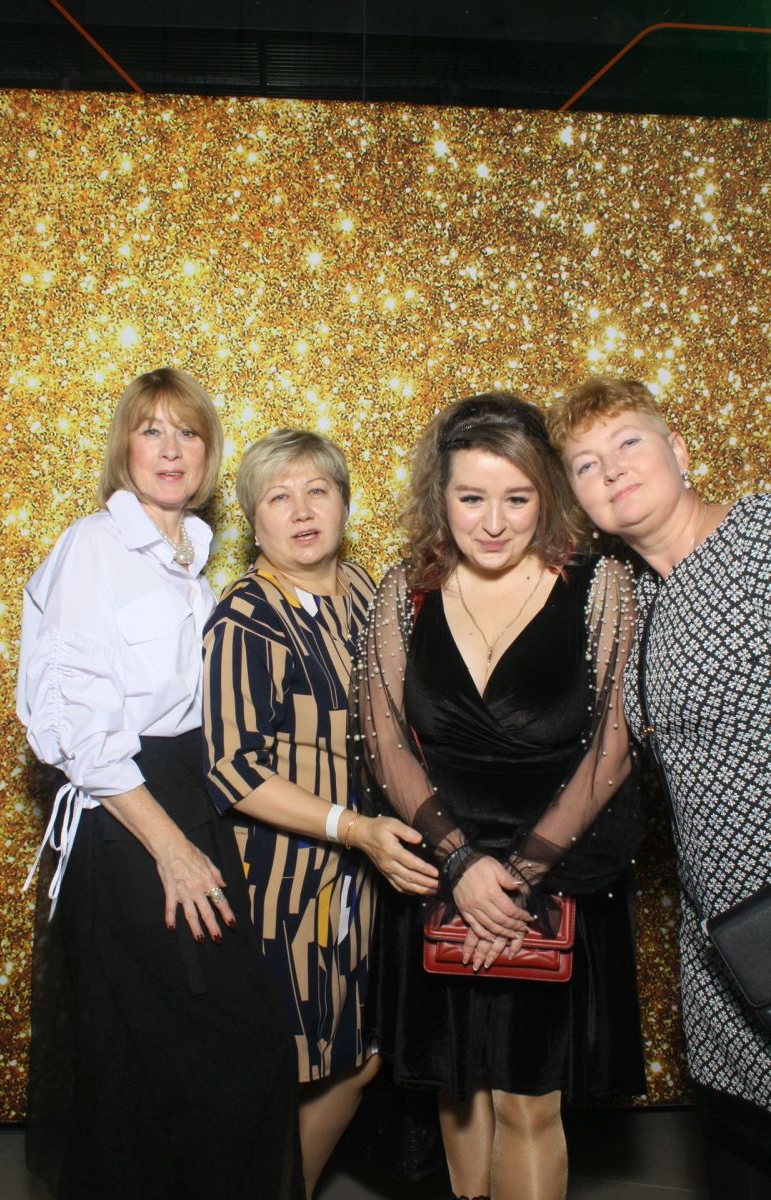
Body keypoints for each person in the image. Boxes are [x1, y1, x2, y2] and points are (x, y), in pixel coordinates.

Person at [351, 393, 645, 1200]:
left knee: (525, 1101)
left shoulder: (599, 585)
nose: (492, 522)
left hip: (553, 874)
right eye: (471, 497)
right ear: (439, 496)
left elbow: (613, 747)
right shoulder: (404, 591)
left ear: (547, 492)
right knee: (457, 1094)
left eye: (517, 498)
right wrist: (459, 865)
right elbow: (382, 739)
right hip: (439, 870)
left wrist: (516, 878)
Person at [17, 368, 301, 1200]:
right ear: (125, 449)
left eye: (188, 432)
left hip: (191, 801)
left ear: (209, 452)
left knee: (196, 1061)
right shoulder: (92, 549)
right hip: (132, 820)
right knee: (172, 1059)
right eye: (151, 431)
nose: (171, 449)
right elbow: (74, 723)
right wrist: (170, 849)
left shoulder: (194, 561)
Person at [548, 375, 771, 1200]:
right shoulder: (629, 601)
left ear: (677, 450)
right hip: (723, 958)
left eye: (628, 443)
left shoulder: (760, 536)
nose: (610, 469)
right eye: (585, 464)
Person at [201, 428, 438, 1199]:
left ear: (344, 503)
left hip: (367, 878)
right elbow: (233, 771)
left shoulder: (366, 592)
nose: (302, 511)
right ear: (253, 521)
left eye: (318, 491)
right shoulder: (245, 618)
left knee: (361, 1055)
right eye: (279, 496)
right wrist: (352, 828)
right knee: (286, 1070)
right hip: (284, 887)